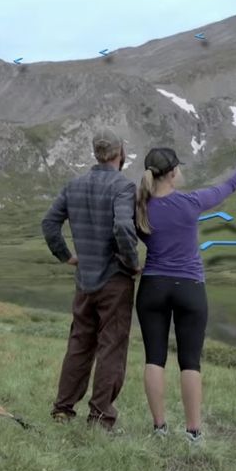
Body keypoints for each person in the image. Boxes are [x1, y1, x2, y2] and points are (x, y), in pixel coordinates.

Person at [133, 145, 236, 444]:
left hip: (152, 286)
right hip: (190, 288)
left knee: (154, 359)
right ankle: (192, 434)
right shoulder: (191, 202)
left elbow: (126, 236)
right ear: (173, 172)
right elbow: (228, 186)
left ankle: (160, 429)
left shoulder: (138, 207)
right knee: (190, 362)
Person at [41, 129, 140, 431]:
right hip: (114, 280)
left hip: (84, 281)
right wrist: (132, 262)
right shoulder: (123, 186)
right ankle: (100, 417)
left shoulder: (74, 185)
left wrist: (67, 256)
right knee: (111, 346)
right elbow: (123, 227)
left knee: (80, 343)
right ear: (119, 153)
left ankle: (62, 409)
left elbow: (49, 223)